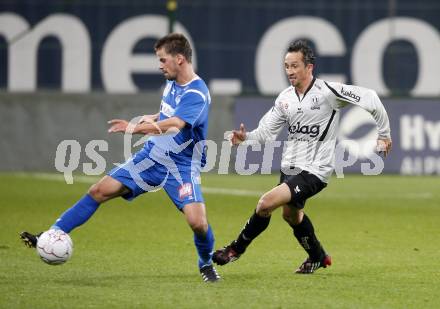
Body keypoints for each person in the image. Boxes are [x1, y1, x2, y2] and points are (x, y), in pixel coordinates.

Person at [20, 33, 221, 283]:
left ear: (179, 59)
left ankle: (206, 264)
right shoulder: (172, 83)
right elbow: (167, 114)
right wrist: (152, 117)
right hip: (152, 157)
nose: (159, 65)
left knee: (198, 223)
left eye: (162, 59)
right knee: (99, 191)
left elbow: (176, 123)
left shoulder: (197, 93)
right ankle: (52, 235)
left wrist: (134, 127)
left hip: (180, 165)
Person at [213, 39, 392, 274]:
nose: (289, 71)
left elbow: (369, 97)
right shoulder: (285, 98)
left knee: (265, 203)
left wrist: (384, 134)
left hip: (316, 170)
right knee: (291, 215)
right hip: (290, 169)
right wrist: (245, 139)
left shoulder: (328, 92)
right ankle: (317, 256)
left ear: (309, 67)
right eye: (287, 66)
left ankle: (235, 249)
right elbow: (266, 133)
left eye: (295, 65)